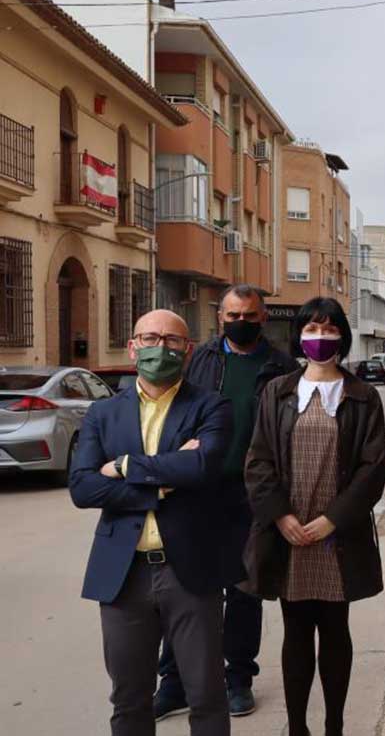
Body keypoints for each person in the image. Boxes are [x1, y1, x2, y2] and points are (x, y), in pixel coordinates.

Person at [70, 309, 235, 736]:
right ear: (132, 346)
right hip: (123, 575)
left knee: (207, 695)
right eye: (149, 338)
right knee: (129, 701)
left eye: (171, 340)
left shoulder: (210, 405)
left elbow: (202, 467)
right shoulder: (102, 413)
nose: (159, 348)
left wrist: (122, 465)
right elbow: (83, 488)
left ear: (188, 350)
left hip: (190, 572)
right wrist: (161, 482)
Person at [244, 297, 385, 736]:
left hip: (335, 535)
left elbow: (372, 467)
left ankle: (334, 726)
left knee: (335, 630)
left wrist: (332, 520)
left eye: (329, 330)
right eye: (311, 329)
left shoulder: (363, 397)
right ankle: (297, 727)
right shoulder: (278, 392)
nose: (319, 338)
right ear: (298, 337)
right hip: (289, 535)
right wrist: (281, 517)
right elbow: (259, 460)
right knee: (295, 633)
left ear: (342, 336)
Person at [154, 284, 299, 720]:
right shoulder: (199, 359)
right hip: (197, 490)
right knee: (187, 590)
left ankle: (238, 679)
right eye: (234, 314)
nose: (242, 322)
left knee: (243, 592)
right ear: (221, 317)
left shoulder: (281, 367)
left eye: (251, 315)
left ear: (263, 316)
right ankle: (174, 682)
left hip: (251, 494)